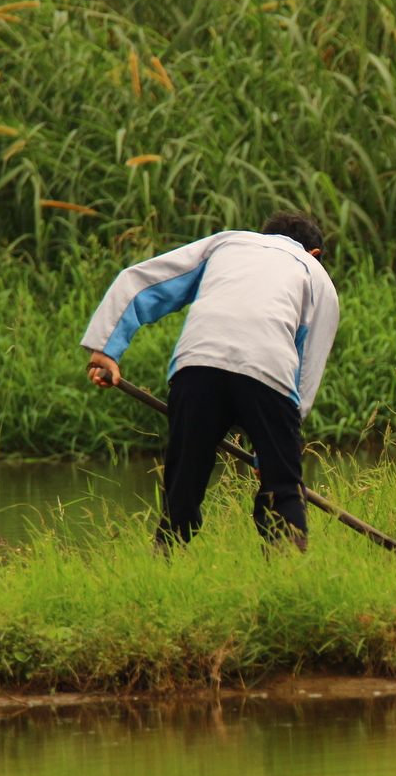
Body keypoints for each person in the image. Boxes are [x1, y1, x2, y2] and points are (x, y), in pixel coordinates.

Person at [80, 212, 339, 553]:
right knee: (283, 488)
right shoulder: (314, 273)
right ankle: (287, 563)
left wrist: (106, 348)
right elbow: (305, 371)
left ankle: (167, 558)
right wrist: (273, 453)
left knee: (184, 480)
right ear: (315, 254)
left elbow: (141, 281)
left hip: (197, 365)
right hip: (269, 373)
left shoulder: (229, 242)